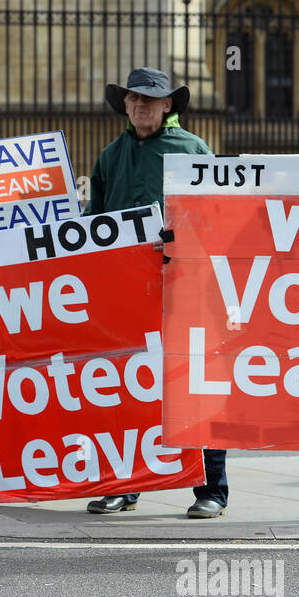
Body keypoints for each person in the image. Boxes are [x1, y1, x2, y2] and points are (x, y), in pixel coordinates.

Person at [83, 67, 226, 518]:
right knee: (125, 388)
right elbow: (93, 225)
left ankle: (211, 489)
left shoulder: (195, 150)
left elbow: (218, 220)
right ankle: (124, 484)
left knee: (194, 387)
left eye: (149, 98)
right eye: (132, 98)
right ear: (124, 105)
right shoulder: (109, 156)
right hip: (126, 292)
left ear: (168, 105)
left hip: (185, 288)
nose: (139, 105)